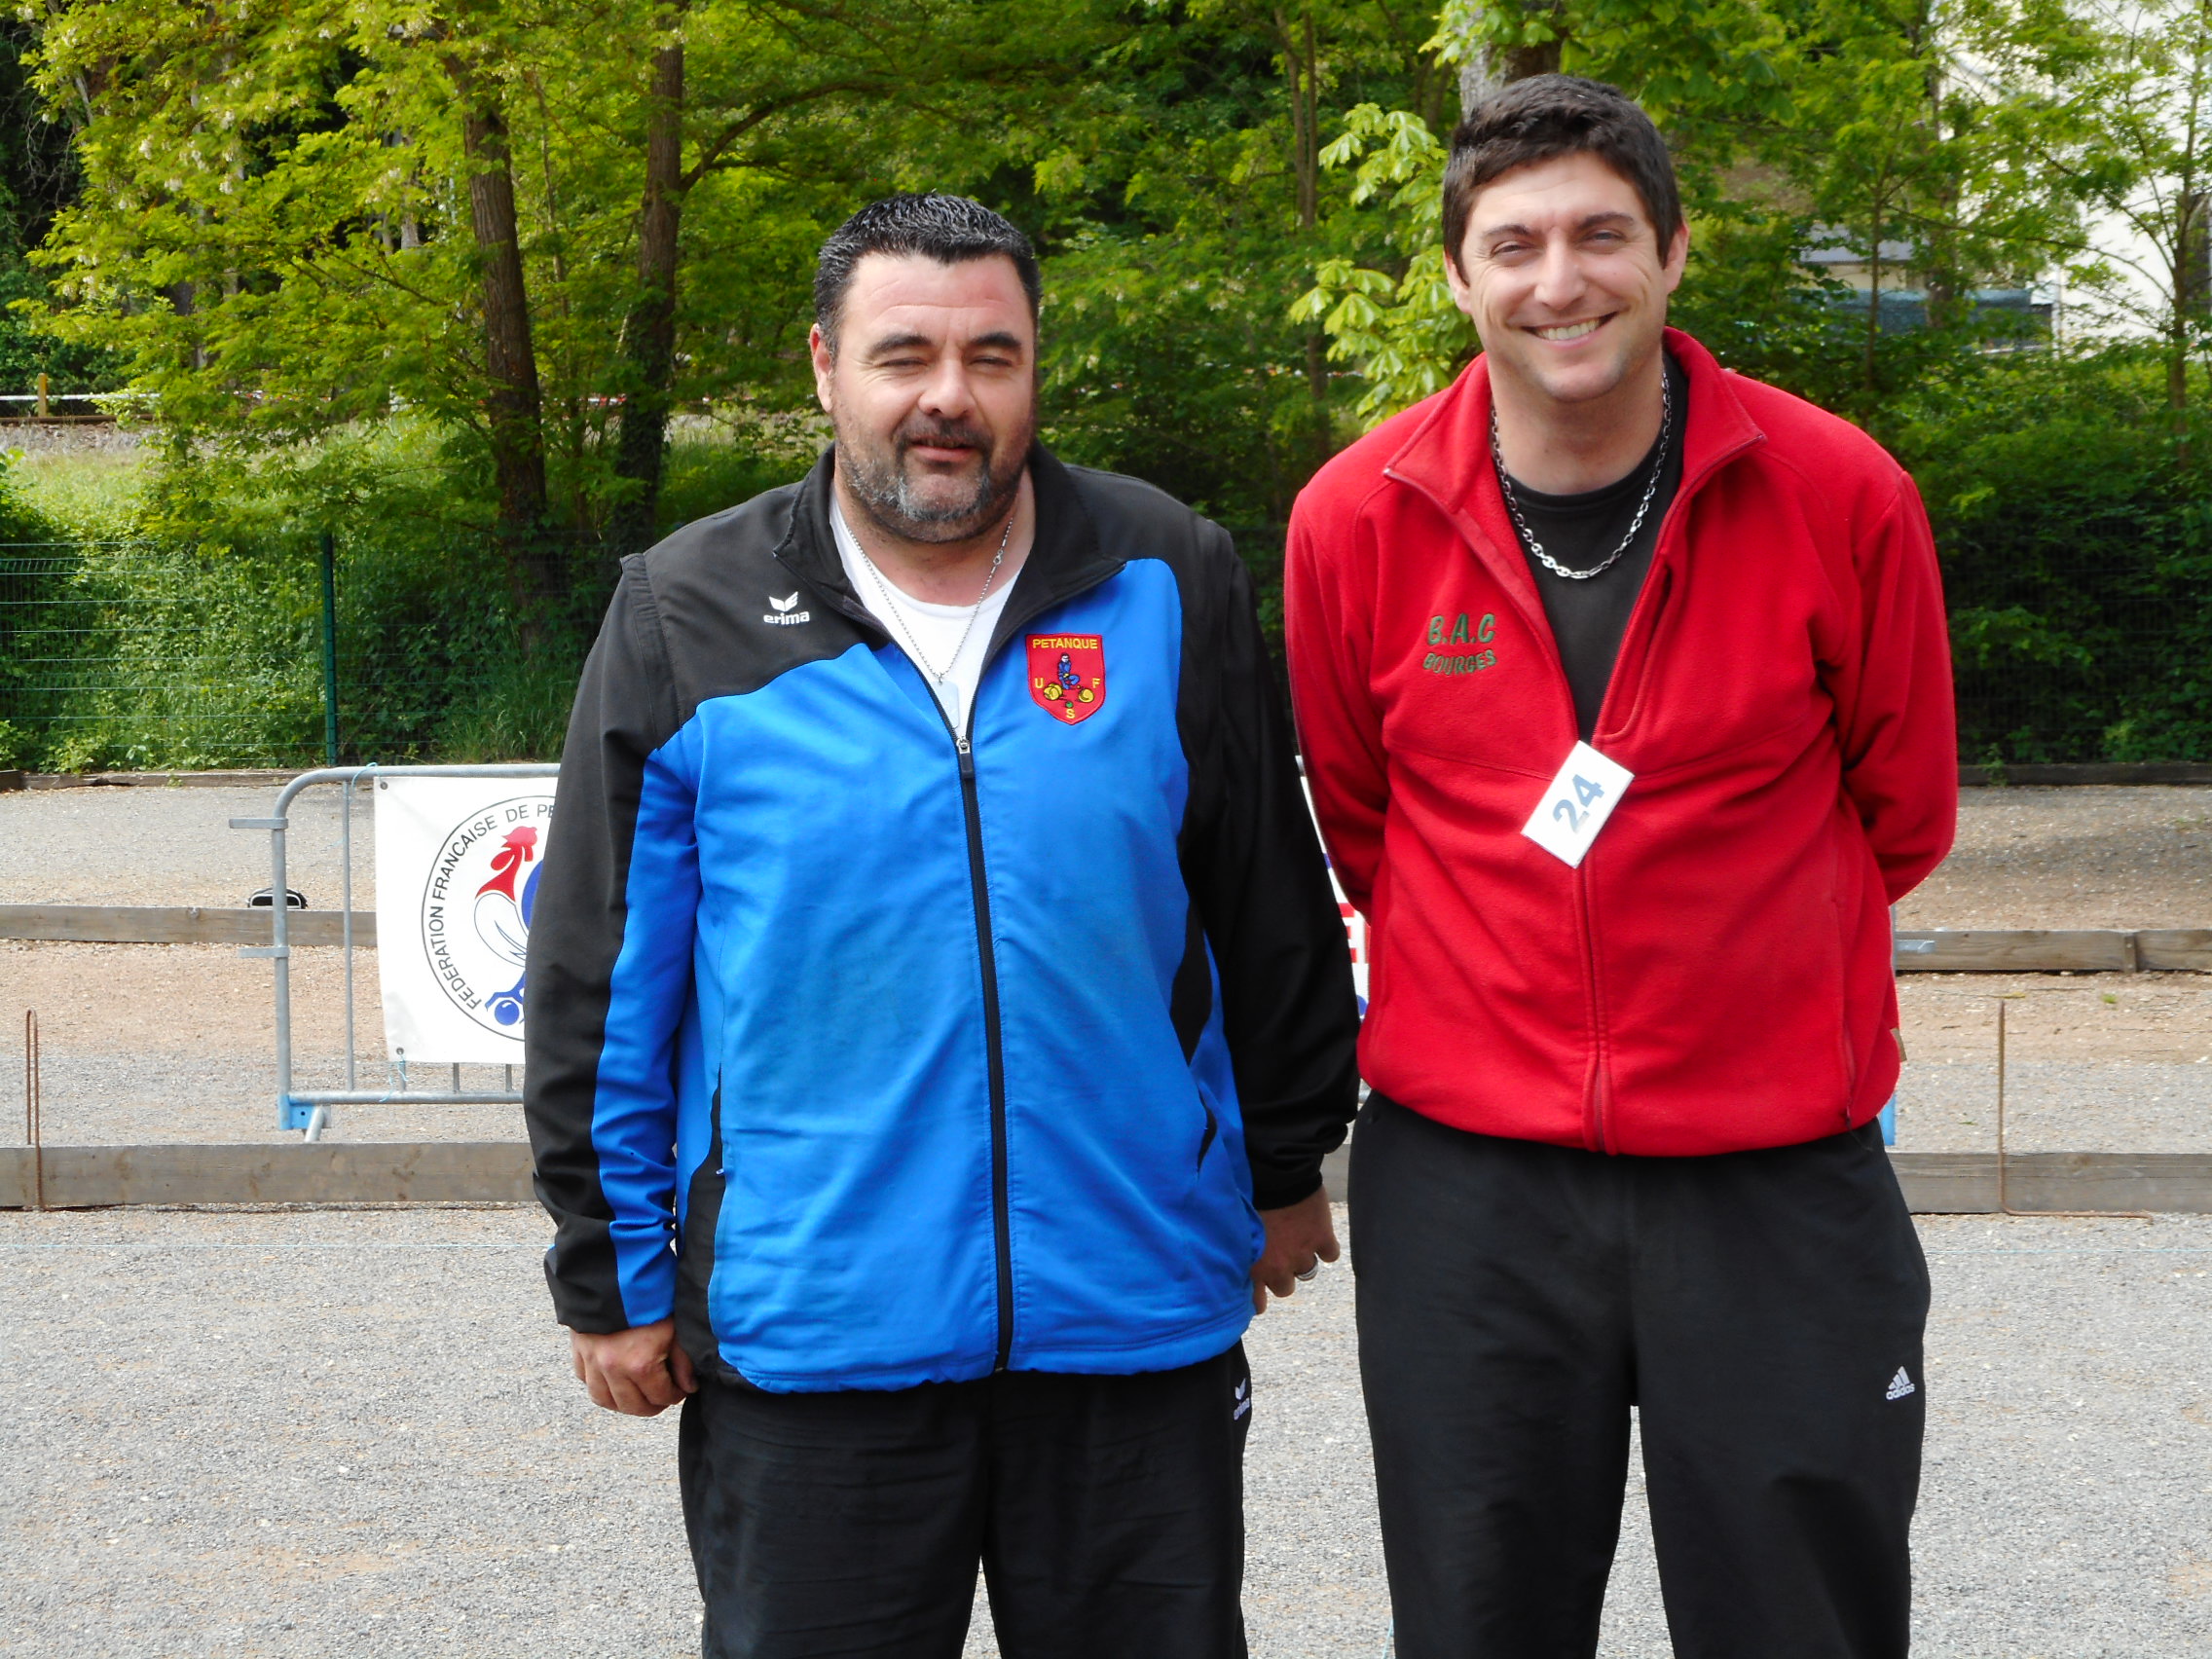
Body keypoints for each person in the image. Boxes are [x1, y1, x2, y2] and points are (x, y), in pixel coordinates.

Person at [524, 192, 1359, 1659]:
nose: (948, 400)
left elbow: (1264, 899)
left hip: (1133, 1312)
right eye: (904, 355)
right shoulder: (686, 611)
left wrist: (1286, 1160)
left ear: (1036, 370)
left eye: (993, 356)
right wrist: (609, 1272)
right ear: (825, 367)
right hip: (813, 1330)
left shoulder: (1168, 572)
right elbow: (600, 970)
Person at [1284, 77, 1956, 1659]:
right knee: (1480, 1622)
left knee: (1805, 1620)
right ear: (1458, 277)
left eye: (1600, 234)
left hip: (1776, 1175)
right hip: (1473, 1191)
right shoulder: (1353, 520)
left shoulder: (1840, 492)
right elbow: (1367, 824)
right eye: (1512, 244)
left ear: (1672, 253)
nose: (1558, 280)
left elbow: (1900, 809)